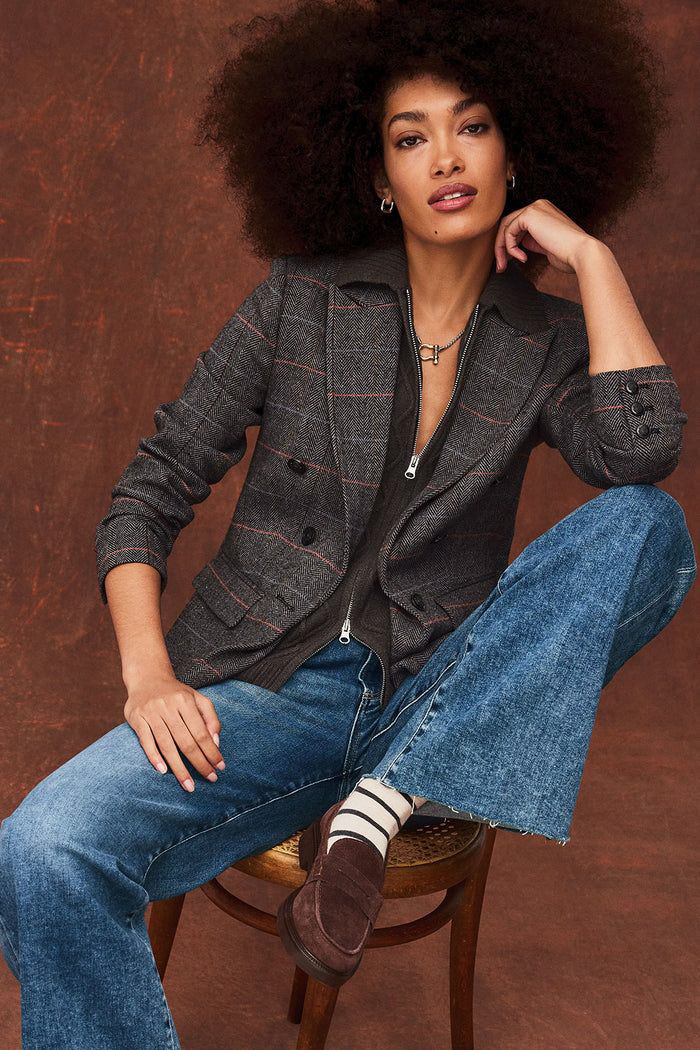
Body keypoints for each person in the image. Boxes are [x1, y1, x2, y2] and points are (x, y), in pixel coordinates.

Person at [0, 0, 695, 1042]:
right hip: (267, 691)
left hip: (441, 690)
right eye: (410, 138)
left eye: (472, 126)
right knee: (43, 843)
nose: (445, 158)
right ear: (377, 175)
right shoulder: (301, 303)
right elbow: (151, 487)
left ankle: (383, 799)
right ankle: (378, 802)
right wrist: (149, 676)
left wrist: (593, 259)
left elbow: (640, 454)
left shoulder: (550, 341)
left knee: (651, 526)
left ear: (516, 154)